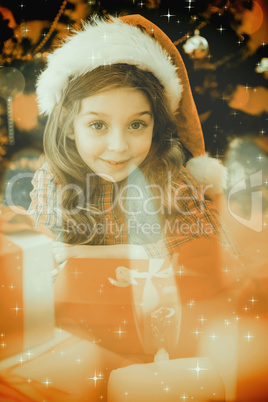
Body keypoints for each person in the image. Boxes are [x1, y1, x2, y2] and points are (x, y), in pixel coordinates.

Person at [28, 14, 239, 266]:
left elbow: (219, 255)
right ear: (67, 124)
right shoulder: (54, 179)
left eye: (136, 124)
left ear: (155, 125)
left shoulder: (171, 176)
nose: (118, 146)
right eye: (98, 125)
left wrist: (121, 254)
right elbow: (39, 256)